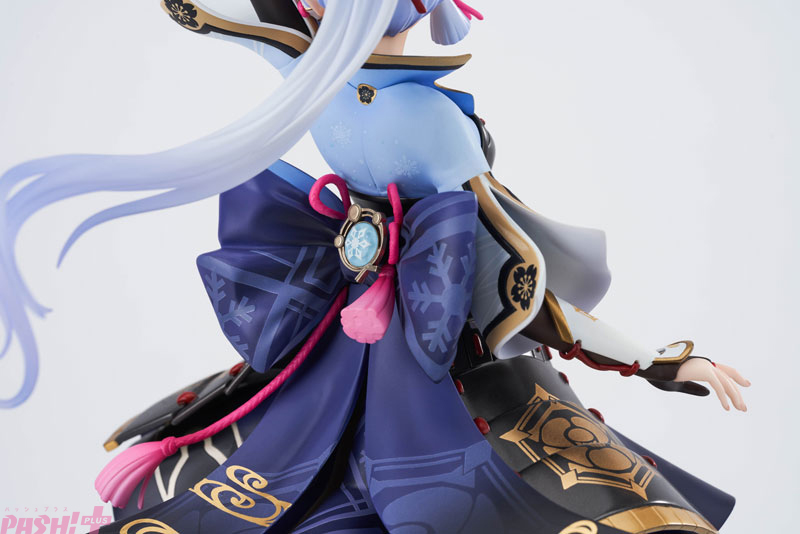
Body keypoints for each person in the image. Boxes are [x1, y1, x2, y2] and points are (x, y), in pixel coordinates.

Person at [0, 1, 749, 532]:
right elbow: (525, 282)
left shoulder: (316, 78)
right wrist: (655, 360)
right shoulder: (418, 115)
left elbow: (208, 13)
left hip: (374, 347)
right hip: (402, 358)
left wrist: (655, 360)